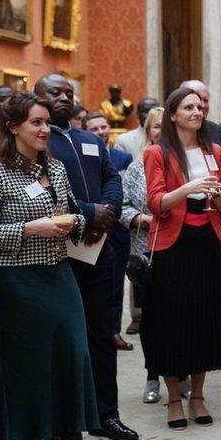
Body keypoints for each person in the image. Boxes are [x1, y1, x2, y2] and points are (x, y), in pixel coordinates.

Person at [0, 91, 99, 440]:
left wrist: (76, 223)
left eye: (47, 122)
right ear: (13, 128)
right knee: (25, 367)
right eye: (37, 123)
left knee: (73, 357)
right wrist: (28, 229)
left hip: (59, 275)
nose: (46, 130)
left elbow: (71, 212)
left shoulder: (56, 169)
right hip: (14, 283)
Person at [34, 74, 138, 440]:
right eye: (54, 92)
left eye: (68, 92)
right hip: (56, 253)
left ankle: (105, 415)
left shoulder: (90, 140)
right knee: (61, 339)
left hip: (99, 250)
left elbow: (113, 179)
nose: (64, 97)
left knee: (101, 335)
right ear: (37, 97)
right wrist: (87, 213)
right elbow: (41, 194)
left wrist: (106, 211)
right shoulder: (36, 143)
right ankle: (60, 422)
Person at [142, 87, 221, 429]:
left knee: (205, 318)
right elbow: (156, 203)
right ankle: (174, 399)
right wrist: (190, 188)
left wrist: (218, 194)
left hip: (207, 240)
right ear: (173, 114)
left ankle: (197, 396)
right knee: (171, 320)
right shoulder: (157, 152)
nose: (197, 111)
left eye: (200, 107)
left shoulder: (216, 151)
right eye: (188, 107)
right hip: (171, 244)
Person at [120, 107, 163, 403]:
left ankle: (181, 374)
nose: (161, 131)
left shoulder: (187, 164)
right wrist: (141, 218)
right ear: (148, 132)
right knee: (151, 319)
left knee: (180, 316)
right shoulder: (136, 168)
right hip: (145, 250)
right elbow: (121, 207)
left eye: (165, 126)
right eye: (155, 126)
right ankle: (153, 376)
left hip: (180, 249)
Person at [84, 112, 135, 352]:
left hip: (118, 227)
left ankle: (114, 330)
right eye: (94, 129)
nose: (101, 132)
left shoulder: (123, 157)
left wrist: (110, 209)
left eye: (104, 126)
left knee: (116, 284)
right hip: (92, 226)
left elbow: (123, 189)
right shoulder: (83, 154)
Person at [179, 80, 221, 160]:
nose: (202, 105)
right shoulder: (169, 134)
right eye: (189, 106)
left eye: (206, 100)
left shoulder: (217, 131)